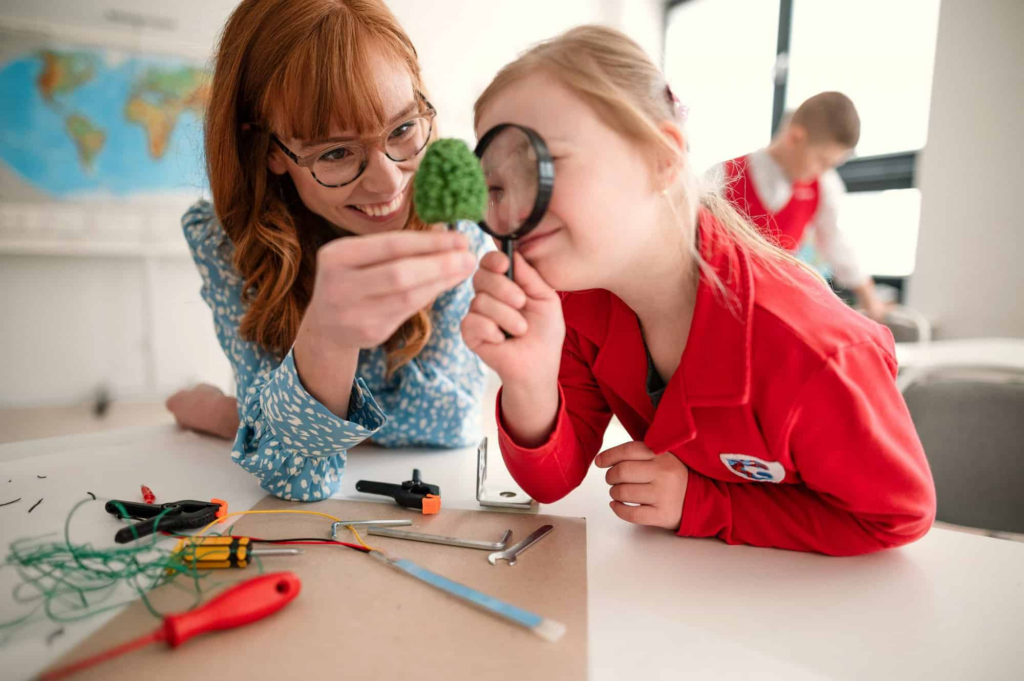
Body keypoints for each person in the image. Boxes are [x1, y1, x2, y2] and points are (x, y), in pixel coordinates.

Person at [462, 26, 935, 555]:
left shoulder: (813, 352)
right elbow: (551, 481)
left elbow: (894, 516)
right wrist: (529, 381)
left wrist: (705, 504)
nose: (517, 212)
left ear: (661, 159)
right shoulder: (575, 300)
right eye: (497, 188)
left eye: (543, 165)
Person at [169, 0, 489, 501]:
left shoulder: (456, 224)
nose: (389, 182)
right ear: (271, 151)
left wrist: (239, 418)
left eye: (402, 129)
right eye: (336, 152)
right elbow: (297, 479)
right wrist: (329, 341)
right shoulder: (226, 241)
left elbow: (454, 422)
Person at [711, 93, 890, 321]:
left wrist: (869, 298)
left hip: (777, 309)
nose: (824, 171)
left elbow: (835, 242)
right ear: (795, 138)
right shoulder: (723, 177)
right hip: (725, 304)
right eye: (822, 161)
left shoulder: (825, 186)